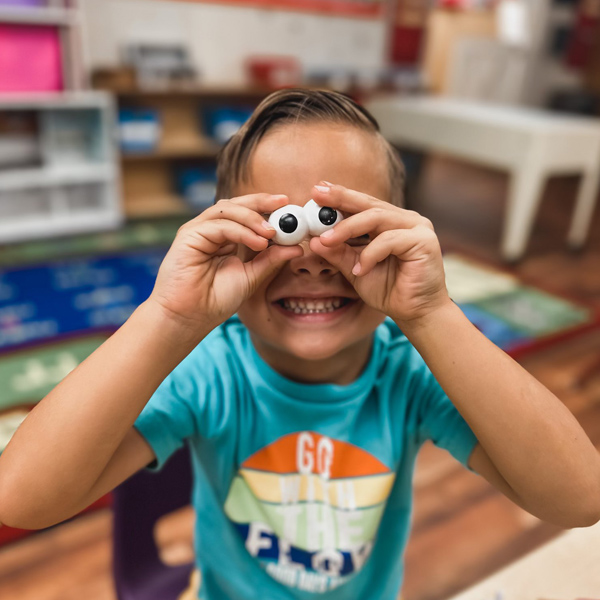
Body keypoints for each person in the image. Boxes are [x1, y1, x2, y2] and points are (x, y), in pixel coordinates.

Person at [0, 89, 599, 600]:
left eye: (344, 228)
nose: (314, 262)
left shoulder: (407, 372)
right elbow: (21, 498)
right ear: (230, 235)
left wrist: (431, 312)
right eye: (280, 231)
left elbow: (579, 500)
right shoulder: (212, 370)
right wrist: (169, 315)